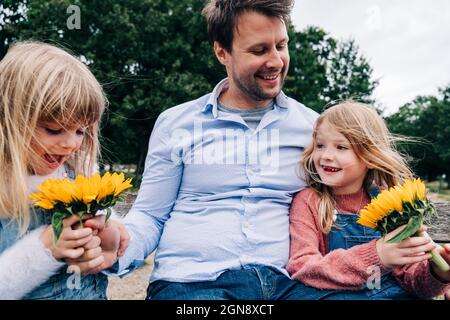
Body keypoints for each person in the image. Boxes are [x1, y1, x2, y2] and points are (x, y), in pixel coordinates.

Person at [81, 0, 320, 299]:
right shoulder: (176, 123)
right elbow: (151, 215)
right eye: (259, 51)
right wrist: (118, 248)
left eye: (281, 46)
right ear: (222, 52)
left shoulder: (315, 128)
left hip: (289, 284)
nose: (275, 61)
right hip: (192, 284)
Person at [287, 101, 450, 299]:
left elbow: (413, 281)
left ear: (369, 157)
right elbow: (302, 267)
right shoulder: (310, 201)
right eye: (320, 145)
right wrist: (376, 256)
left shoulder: (389, 203)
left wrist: (439, 273)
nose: (326, 155)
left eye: (341, 147)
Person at [0, 41, 123, 299]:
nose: (71, 144)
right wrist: (45, 248)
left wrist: (108, 240)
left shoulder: (76, 174)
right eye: (54, 129)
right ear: (8, 119)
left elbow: (104, 241)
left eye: (81, 131)